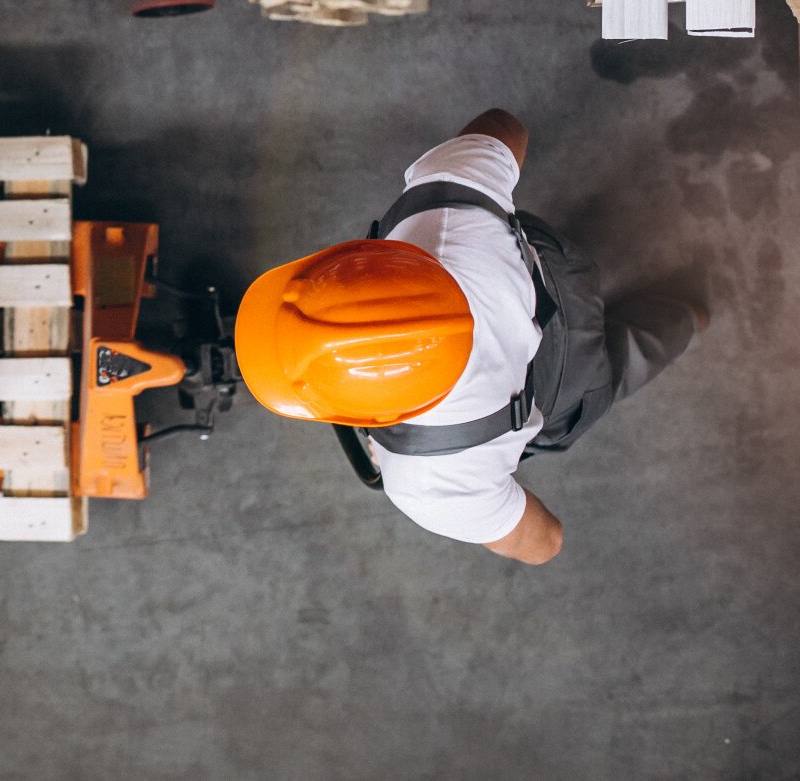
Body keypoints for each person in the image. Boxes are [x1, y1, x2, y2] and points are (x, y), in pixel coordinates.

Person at [233, 109, 705, 565]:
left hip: (570, 385)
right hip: (562, 278)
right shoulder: (443, 202)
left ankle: (693, 313)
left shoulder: (427, 480)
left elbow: (546, 542)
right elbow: (506, 127)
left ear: (376, 413)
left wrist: (474, 494)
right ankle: (686, 305)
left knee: (629, 358)